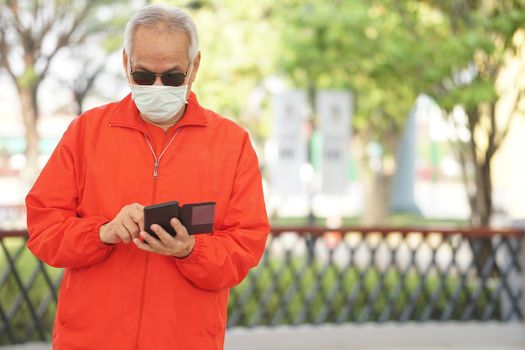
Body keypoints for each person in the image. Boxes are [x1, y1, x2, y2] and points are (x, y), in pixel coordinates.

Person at [25, 4, 269, 350]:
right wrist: (102, 232)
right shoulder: (85, 133)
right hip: (91, 340)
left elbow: (245, 246)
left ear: (194, 66)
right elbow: (43, 228)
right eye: (143, 75)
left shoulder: (232, 143)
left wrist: (190, 249)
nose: (157, 86)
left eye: (171, 77)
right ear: (125, 63)